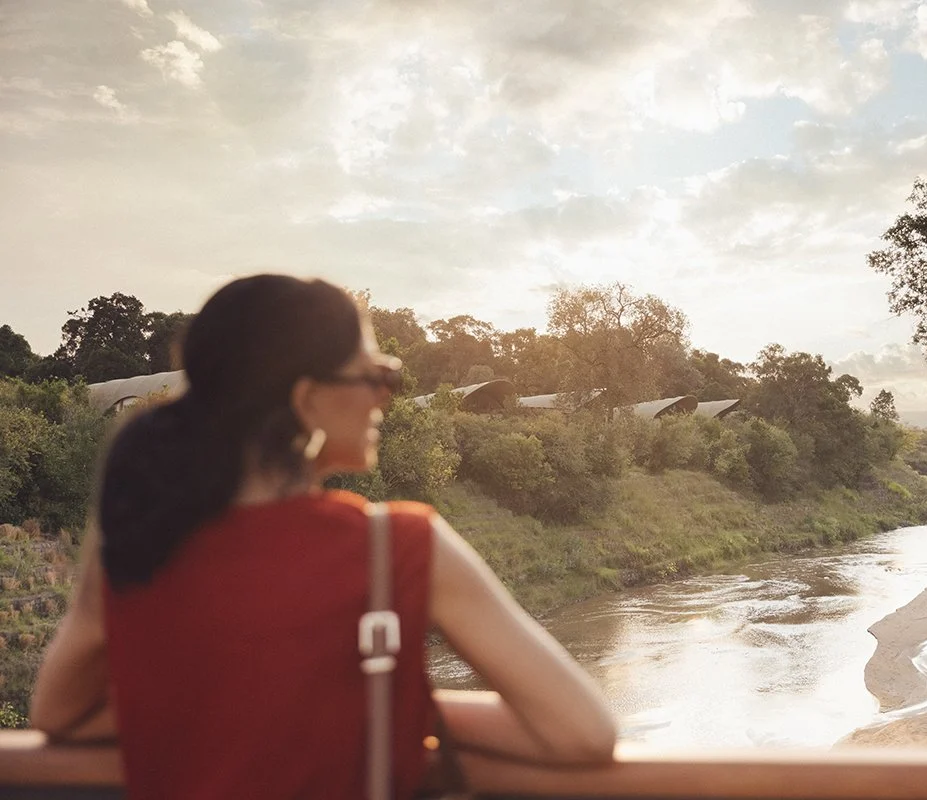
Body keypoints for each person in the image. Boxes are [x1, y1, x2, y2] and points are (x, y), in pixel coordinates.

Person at [29, 275, 617, 798]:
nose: (388, 393)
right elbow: (583, 733)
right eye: (377, 374)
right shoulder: (397, 546)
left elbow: (60, 714)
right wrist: (398, 706)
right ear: (306, 399)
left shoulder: (137, 538)